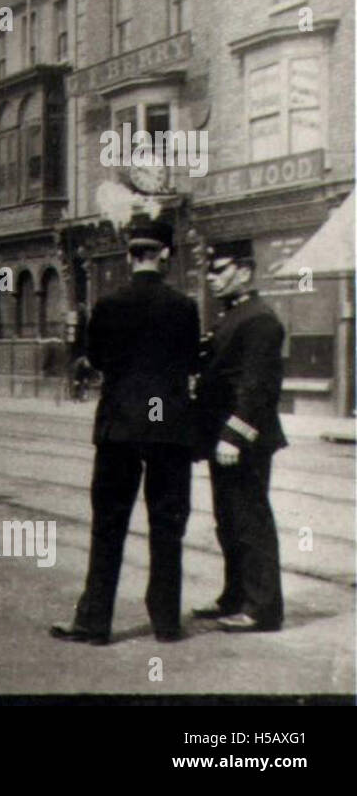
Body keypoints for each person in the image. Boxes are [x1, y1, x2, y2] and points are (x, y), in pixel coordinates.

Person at [50, 217, 200, 645]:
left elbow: (95, 359)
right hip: (167, 428)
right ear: (165, 256)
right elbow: (191, 363)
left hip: (120, 427)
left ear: (130, 255)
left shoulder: (108, 306)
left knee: (109, 526)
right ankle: (167, 623)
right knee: (167, 525)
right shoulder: (184, 307)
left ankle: (95, 622)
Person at [191, 253, 286, 632]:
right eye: (209, 272)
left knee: (250, 521)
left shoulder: (260, 319)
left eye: (220, 271)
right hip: (222, 437)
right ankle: (234, 596)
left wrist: (236, 435)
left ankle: (263, 609)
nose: (211, 279)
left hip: (242, 439)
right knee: (228, 520)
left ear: (245, 272)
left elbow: (258, 386)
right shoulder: (233, 315)